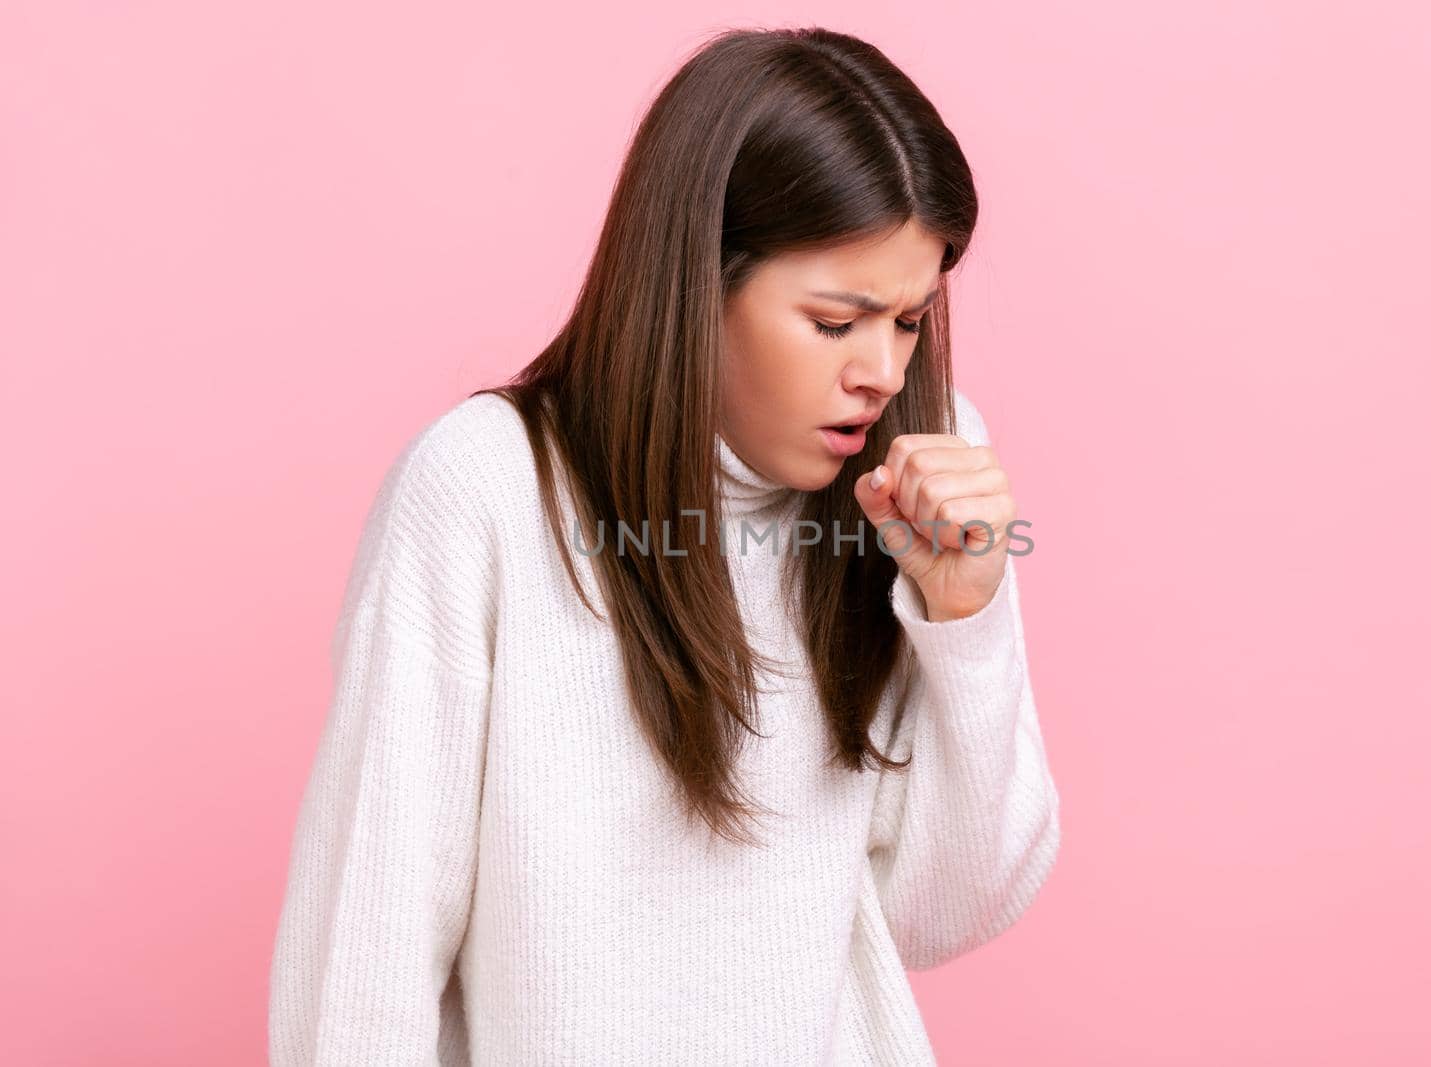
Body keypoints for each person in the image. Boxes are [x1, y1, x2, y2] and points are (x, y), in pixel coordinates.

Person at [267, 25, 1061, 1065]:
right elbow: (362, 955)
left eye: (910, 319)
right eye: (835, 321)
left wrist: (968, 615)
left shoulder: (917, 476)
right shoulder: (487, 489)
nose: (880, 369)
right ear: (698, 281)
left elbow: (946, 909)